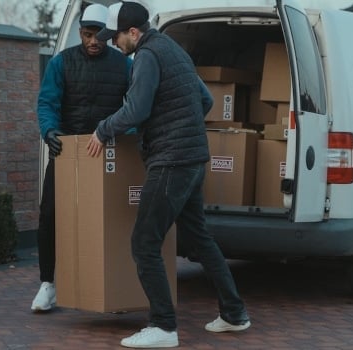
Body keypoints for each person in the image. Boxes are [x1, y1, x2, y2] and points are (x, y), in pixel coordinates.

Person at [87, 1, 251, 348]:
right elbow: (204, 100)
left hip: (171, 160)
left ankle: (163, 327)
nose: (113, 43)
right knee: (199, 238)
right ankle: (235, 314)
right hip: (192, 157)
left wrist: (103, 130)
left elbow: (137, 108)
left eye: (115, 36)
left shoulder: (146, 55)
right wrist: (179, 121)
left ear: (133, 32)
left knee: (144, 244)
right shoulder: (174, 50)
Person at [31, 3, 132, 312]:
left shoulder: (125, 65)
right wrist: (49, 132)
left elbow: (135, 105)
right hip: (67, 151)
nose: (93, 42)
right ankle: (47, 284)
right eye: (87, 35)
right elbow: (47, 103)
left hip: (108, 152)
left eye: (99, 37)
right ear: (80, 33)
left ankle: (113, 285)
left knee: (108, 220)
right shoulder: (61, 63)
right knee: (50, 216)